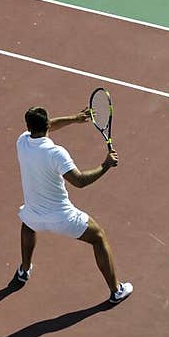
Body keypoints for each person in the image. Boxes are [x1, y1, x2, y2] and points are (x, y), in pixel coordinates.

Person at [15, 105, 133, 304]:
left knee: (27, 224)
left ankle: (24, 270)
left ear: (28, 126)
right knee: (98, 237)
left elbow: (47, 125)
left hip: (34, 214)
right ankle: (116, 290)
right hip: (62, 218)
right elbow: (79, 181)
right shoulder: (56, 153)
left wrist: (75, 118)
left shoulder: (22, 141)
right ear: (46, 125)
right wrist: (106, 164)